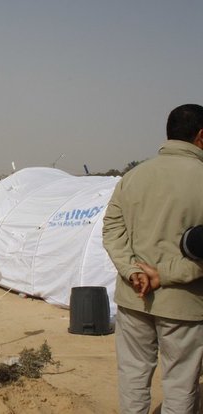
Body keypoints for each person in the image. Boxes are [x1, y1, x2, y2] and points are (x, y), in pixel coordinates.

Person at [102, 103, 203, 414]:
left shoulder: (134, 176)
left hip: (134, 299)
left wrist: (133, 271)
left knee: (133, 378)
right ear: (200, 136)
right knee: (181, 384)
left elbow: (112, 229)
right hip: (183, 305)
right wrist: (166, 274)